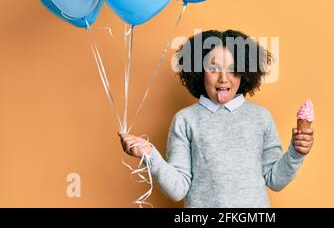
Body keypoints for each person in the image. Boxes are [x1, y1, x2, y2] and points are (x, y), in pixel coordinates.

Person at [119, 29, 314, 207]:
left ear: (244, 73)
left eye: (232, 69)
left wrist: (296, 153)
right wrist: (150, 155)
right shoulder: (185, 120)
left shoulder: (261, 117)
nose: (223, 78)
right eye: (213, 69)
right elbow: (178, 189)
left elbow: (275, 180)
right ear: (199, 72)